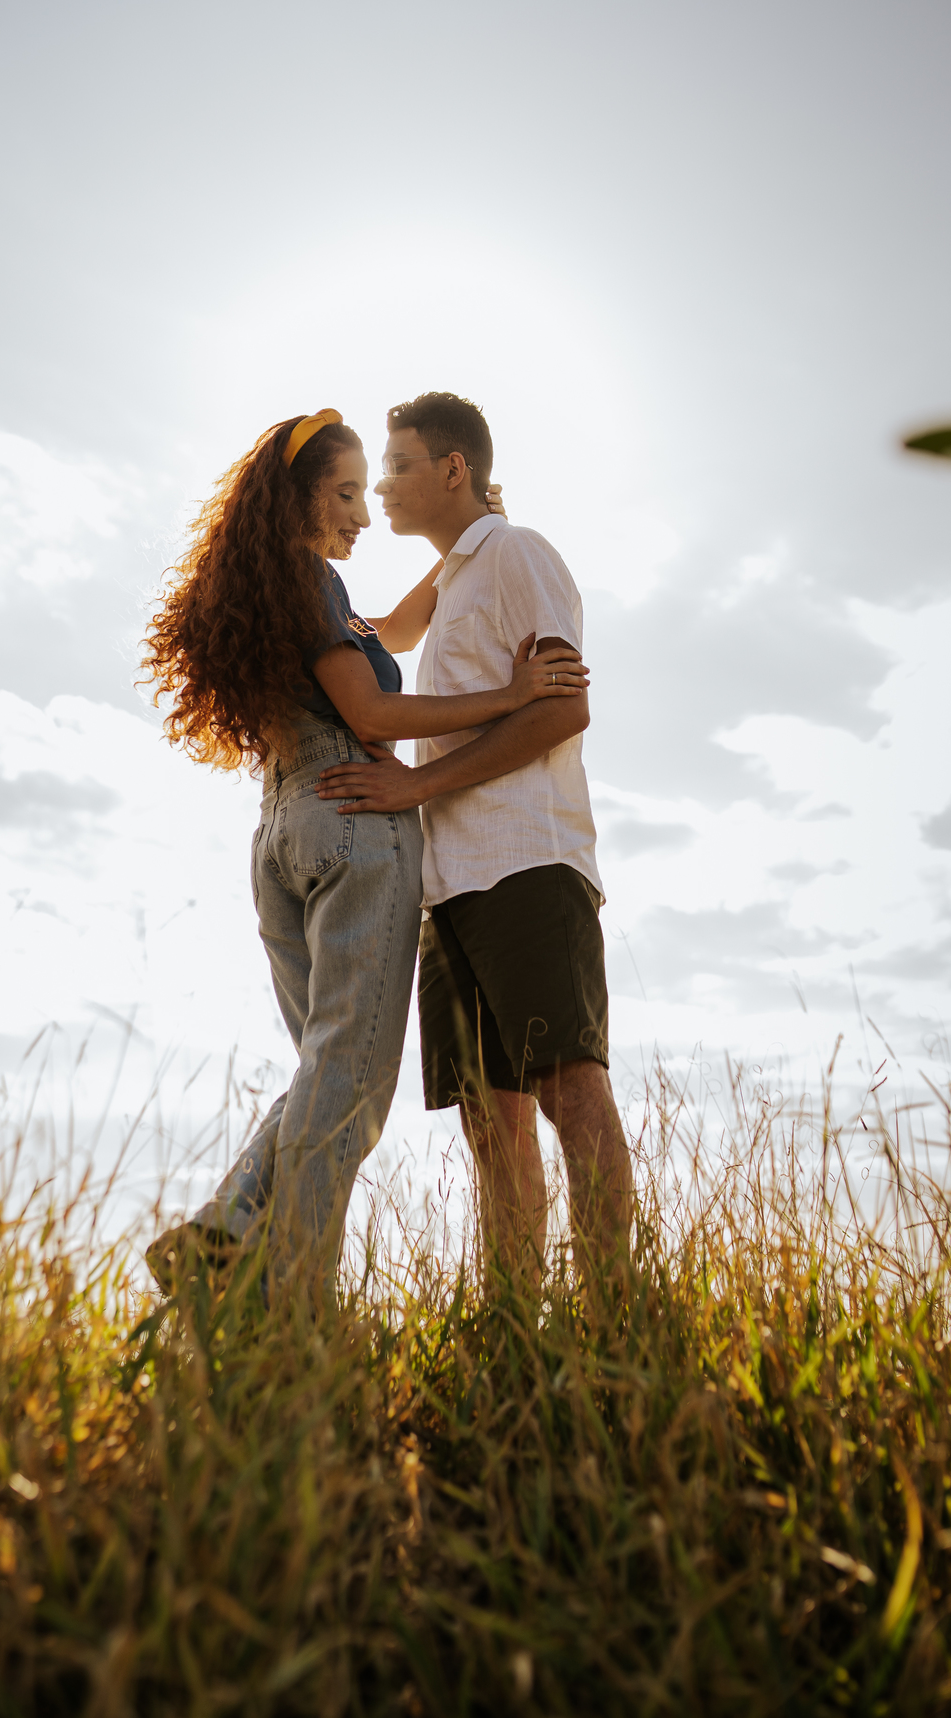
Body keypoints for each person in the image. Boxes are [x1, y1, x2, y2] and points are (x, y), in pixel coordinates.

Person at [140, 408, 589, 1303]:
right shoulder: (311, 582)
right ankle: (299, 1308)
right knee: (349, 1083)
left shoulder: (296, 592)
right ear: (299, 500)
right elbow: (374, 715)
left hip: (285, 828)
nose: (363, 506)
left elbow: (397, 627)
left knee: (323, 1069)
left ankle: (228, 1229)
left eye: (372, 484)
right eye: (346, 491)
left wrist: (464, 542)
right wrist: (508, 691)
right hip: (357, 819)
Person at [315, 393, 634, 1290]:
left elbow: (566, 706)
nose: (379, 487)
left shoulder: (518, 553)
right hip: (449, 884)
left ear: (453, 469)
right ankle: (513, 1344)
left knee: (571, 1092)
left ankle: (618, 1322)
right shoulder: (458, 574)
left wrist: (414, 784)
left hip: (526, 863)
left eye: (397, 466)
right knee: (491, 1124)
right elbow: (381, 632)